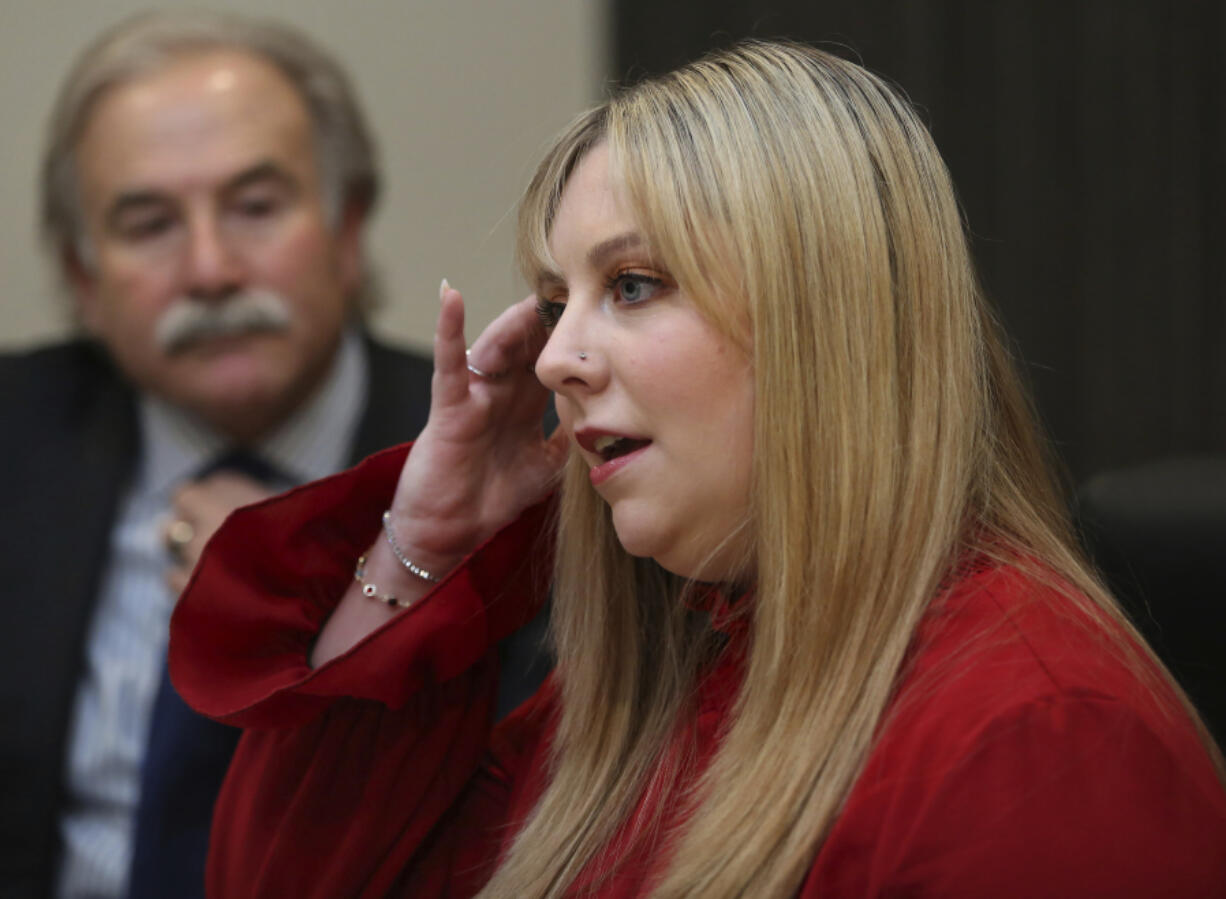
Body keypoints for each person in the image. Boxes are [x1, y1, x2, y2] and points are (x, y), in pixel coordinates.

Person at [171, 40, 1226, 897]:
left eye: (630, 284)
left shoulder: (1039, 744)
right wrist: (423, 542)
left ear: (827, 325)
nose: (553, 358)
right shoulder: (664, 675)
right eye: (554, 299)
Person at [0, 11, 435, 899]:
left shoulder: (506, 459)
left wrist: (312, 589)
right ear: (84, 280)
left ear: (347, 231)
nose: (210, 269)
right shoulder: (14, 436)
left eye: (255, 207)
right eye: (149, 222)